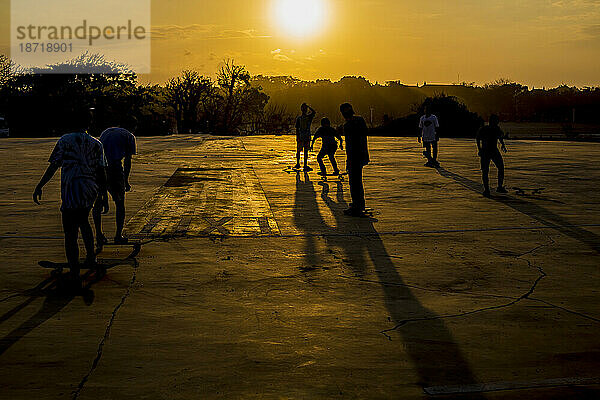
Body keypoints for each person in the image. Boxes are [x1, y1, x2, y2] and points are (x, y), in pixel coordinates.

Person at [33, 110, 108, 285]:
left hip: (71, 189)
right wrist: (103, 195)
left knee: (70, 232)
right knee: (84, 220)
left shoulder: (65, 140)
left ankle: (74, 270)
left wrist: (40, 185)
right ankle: (91, 257)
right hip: (90, 189)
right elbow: (101, 171)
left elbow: (54, 166)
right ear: (89, 123)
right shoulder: (96, 144)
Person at [92, 116, 137, 248]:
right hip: (115, 170)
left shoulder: (106, 131)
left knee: (98, 202)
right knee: (119, 203)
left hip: (100, 168)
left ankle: (99, 234)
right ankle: (118, 235)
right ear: (133, 127)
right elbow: (128, 161)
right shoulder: (129, 136)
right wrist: (126, 180)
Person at [339, 103, 370, 216]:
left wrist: (349, 161)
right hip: (361, 155)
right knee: (358, 181)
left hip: (354, 157)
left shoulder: (348, 125)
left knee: (354, 182)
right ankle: (359, 203)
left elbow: (350, 145)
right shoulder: (360, 120)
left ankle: (357, 206)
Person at [477, 114, 508, 197]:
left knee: (487, 170)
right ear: (493, 121)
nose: (498, 122)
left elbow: (478, 139)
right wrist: (479, 150)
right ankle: (493, 188)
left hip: (489, 151)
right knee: (491, 170)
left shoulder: (487, 129)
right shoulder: (488, 129)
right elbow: (478, 139)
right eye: (497, 120)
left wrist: (502, 144)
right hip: (490, 151)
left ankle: (490, 189)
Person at [295, 103, 316, 171]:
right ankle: (304, 165)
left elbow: (297, 128)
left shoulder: (300, 118)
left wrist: (297, 136)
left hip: (302, 136)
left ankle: (299, 164)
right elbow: (314, 112)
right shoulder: (307, 117)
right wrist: (309, 107)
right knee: (304, 151)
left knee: (299, 151)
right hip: (305, 136)